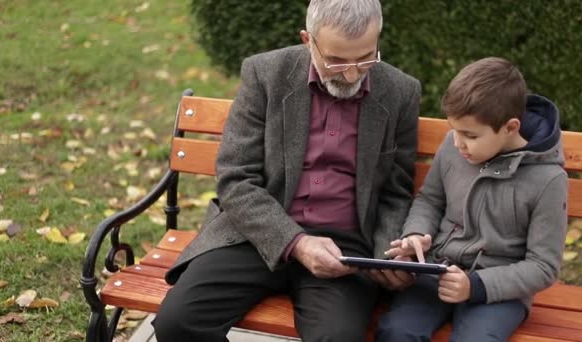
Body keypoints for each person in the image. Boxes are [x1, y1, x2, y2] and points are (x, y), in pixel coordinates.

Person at [153, 0, 422, 340]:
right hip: (257, 233)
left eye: (366, 57)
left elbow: (396, 192)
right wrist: (296, 242)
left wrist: (387, 257)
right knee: (177, 323)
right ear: (309, 41)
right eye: (336, 60)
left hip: (346, 249)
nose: (352, 73)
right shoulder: (266, 74)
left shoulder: (400, 91)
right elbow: (236, 179)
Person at [376, 57, 568, 341]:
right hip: (436, 272)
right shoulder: (455, 146)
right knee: (396, 331)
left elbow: (543, 266)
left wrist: (475, 286)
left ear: (510, 127)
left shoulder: (548, 180)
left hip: (499, 291)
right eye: (454, 130)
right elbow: (429, 200)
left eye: (469, 135)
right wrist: (417, 234)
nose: (457, 143)